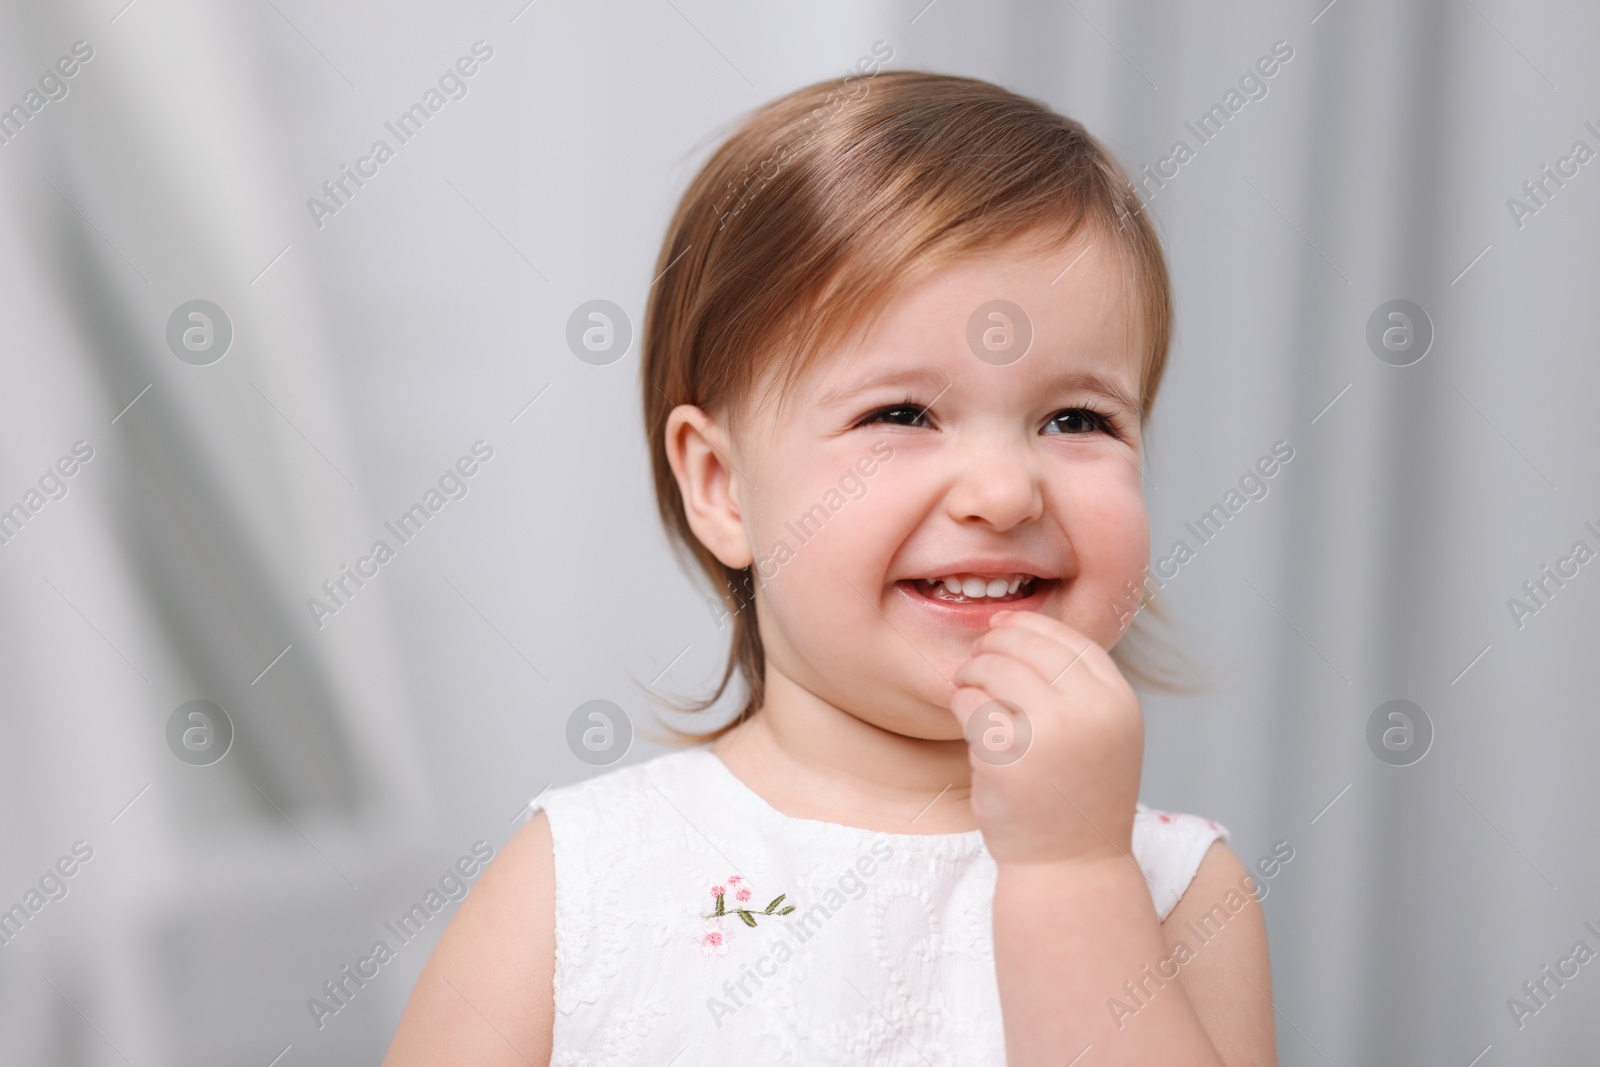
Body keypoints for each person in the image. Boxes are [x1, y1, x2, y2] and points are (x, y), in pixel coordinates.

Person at [384, 69, 1276, 1065]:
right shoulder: (582, 877)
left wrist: (1072, 870)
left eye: (1076, 419)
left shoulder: (1179, 889)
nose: (1004, 489)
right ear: (722, 486)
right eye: (900, 414)